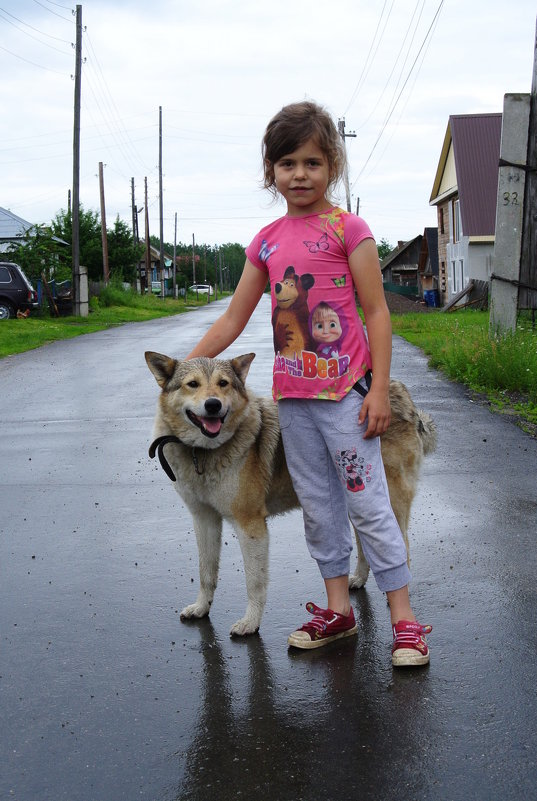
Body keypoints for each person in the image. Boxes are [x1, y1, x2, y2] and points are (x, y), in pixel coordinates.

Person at [186, 100, 431, 667]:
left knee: (369, 506)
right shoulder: (267, 242)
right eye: (288, 162)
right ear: (270, 170)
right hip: (294, 404)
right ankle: (338, 611)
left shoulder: (351, 230)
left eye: (314, 162)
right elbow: (233, 318)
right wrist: (184, 372)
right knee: (319, 508)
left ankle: (406, 621)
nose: (300, 174)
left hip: (346, 398)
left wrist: (377, 390)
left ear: (333, 167)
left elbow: (377, 313)